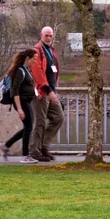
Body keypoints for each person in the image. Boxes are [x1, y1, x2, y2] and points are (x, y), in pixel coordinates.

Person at [28, 27, 64, 162]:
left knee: (58, 117)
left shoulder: (50, 50)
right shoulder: (37, 51)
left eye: (51, 36)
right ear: (41, 35)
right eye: (47, 36)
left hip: (51, 91)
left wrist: (53, 91)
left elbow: (52, 72)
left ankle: (43, 146)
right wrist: (49, 91)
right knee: (40, 122)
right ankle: (34, 151)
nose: (49, 38)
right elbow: (38, 74)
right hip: (41, 92)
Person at [0, 48, 39, 163]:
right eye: (34, 59)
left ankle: (5, 146)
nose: (35, 61)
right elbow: (15, 90)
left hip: (26, 101)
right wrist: (20, 109)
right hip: (21, 102)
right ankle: (26, 155)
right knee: (29, 127)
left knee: (28, 127)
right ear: (28, 58)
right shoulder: (19, 71)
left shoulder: (26, 69)